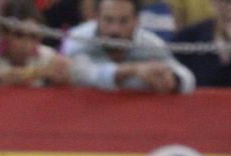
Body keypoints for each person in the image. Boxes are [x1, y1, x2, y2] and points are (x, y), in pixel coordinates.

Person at [61, 0, 196, 93]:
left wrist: (173, 80)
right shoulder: (77, 39)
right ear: (96, 18)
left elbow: (187, 77)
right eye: (108, 20)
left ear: (137, 21)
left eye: (124, 21)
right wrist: (134, 70)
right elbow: (84, 76)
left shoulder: (150, 43)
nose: (115, 30)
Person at [0, 1, 71, 84]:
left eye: (33, 36)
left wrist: (64, 73)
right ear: (5, 33)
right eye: (19, 35)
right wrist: (43, 72)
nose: (26, 44)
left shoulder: (48, 56)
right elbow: (3, 77)